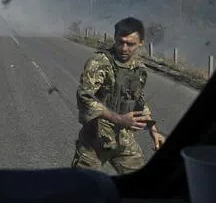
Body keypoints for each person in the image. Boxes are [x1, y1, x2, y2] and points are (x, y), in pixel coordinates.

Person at [71, 16, 166, 174]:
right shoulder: (100, 62)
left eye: (130, 44)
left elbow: (138, 101)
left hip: (123, 140)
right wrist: (120, 119)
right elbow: (85, 97)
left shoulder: (138, 68)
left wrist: (153, 131)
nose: (124, 48)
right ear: (114, 38)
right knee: (81, 189)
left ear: (141, 42)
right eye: (120, 42)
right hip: (95, 141)